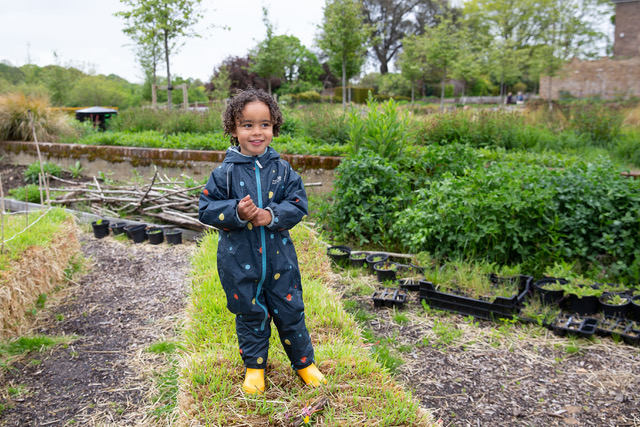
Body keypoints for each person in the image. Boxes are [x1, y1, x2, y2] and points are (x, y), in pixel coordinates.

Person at [198, 88, 327, 395]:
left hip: (280, 259)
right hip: (239, 262)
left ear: (274, 127)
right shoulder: (223, 174)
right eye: (247, 125)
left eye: (264, 124)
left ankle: (304, 364)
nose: (257, 132)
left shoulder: (283, 170)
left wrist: (271, 215)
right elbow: (205, 209)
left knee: (291, 310)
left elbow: (298, 204)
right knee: (250, 313)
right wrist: (235, 212)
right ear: (233, 129)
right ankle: (255, 368)